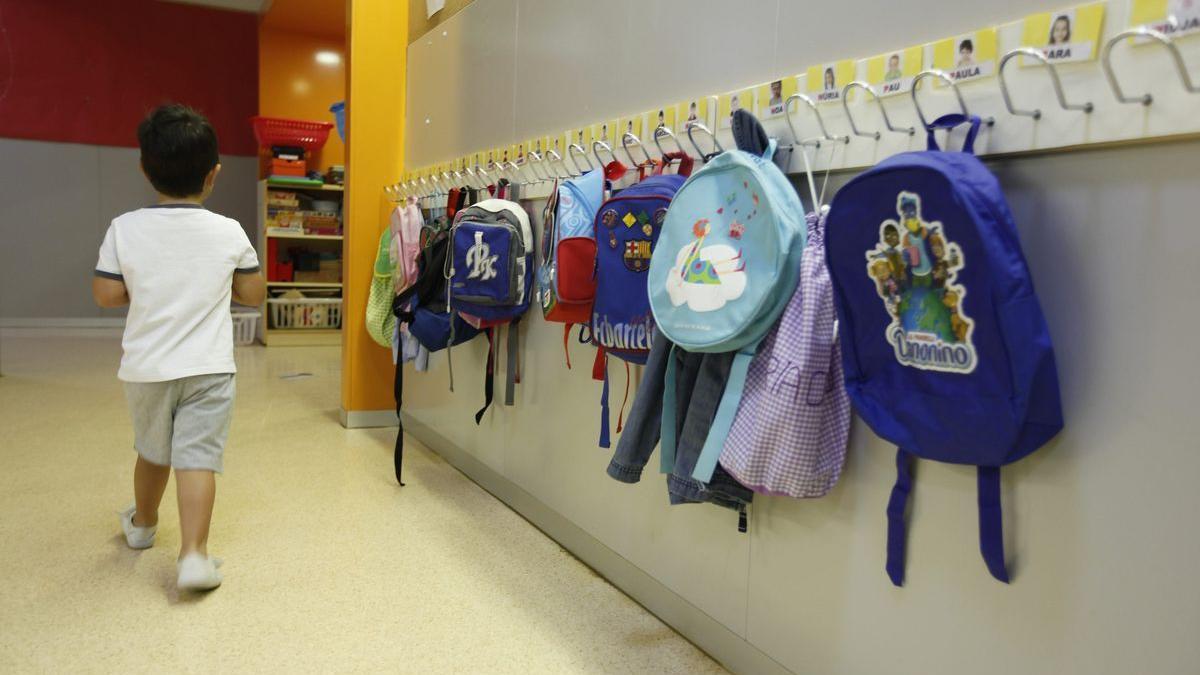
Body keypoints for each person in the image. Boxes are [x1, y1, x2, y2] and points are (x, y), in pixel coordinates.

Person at [93, 104, 265, 592]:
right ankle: (193, 555)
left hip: (147, 369)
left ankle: (143, 526)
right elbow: (253, 294)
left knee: (152, 451)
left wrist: (147, 289)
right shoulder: (228, 230)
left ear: (145, 168)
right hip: (209, 368)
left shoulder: (124, 227)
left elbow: (106, 294)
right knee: (197, 458)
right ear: (213, 174)